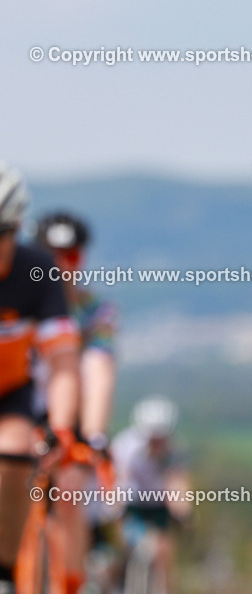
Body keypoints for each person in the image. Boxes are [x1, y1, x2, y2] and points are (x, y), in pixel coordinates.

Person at [0, 164, 81, 592]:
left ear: (16, 230)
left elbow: (64, 363)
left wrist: (61, 426)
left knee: (14, 451)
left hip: (10, 391)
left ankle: (5, 571)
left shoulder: (38, 270)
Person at [33, 211, 119, 593]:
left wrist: (94, 436)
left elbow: (100, 369)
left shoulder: (95, 309)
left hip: (74, 418)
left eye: (71, 256)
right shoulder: (18, 297)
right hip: (22, 407)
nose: (61, 265)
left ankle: (71, 582)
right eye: (51, 256)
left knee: (70, 493)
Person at [110, 397, 189, 591]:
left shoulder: (174, 451)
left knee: (164, 552)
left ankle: (165, 588)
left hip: (158, 504)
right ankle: (117, 579)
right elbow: (118, 479)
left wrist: (183, 513)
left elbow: (177, 482)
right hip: (132, 501)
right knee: (124, 545)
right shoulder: (125, 446)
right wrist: (116, 508)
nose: (157, 442)